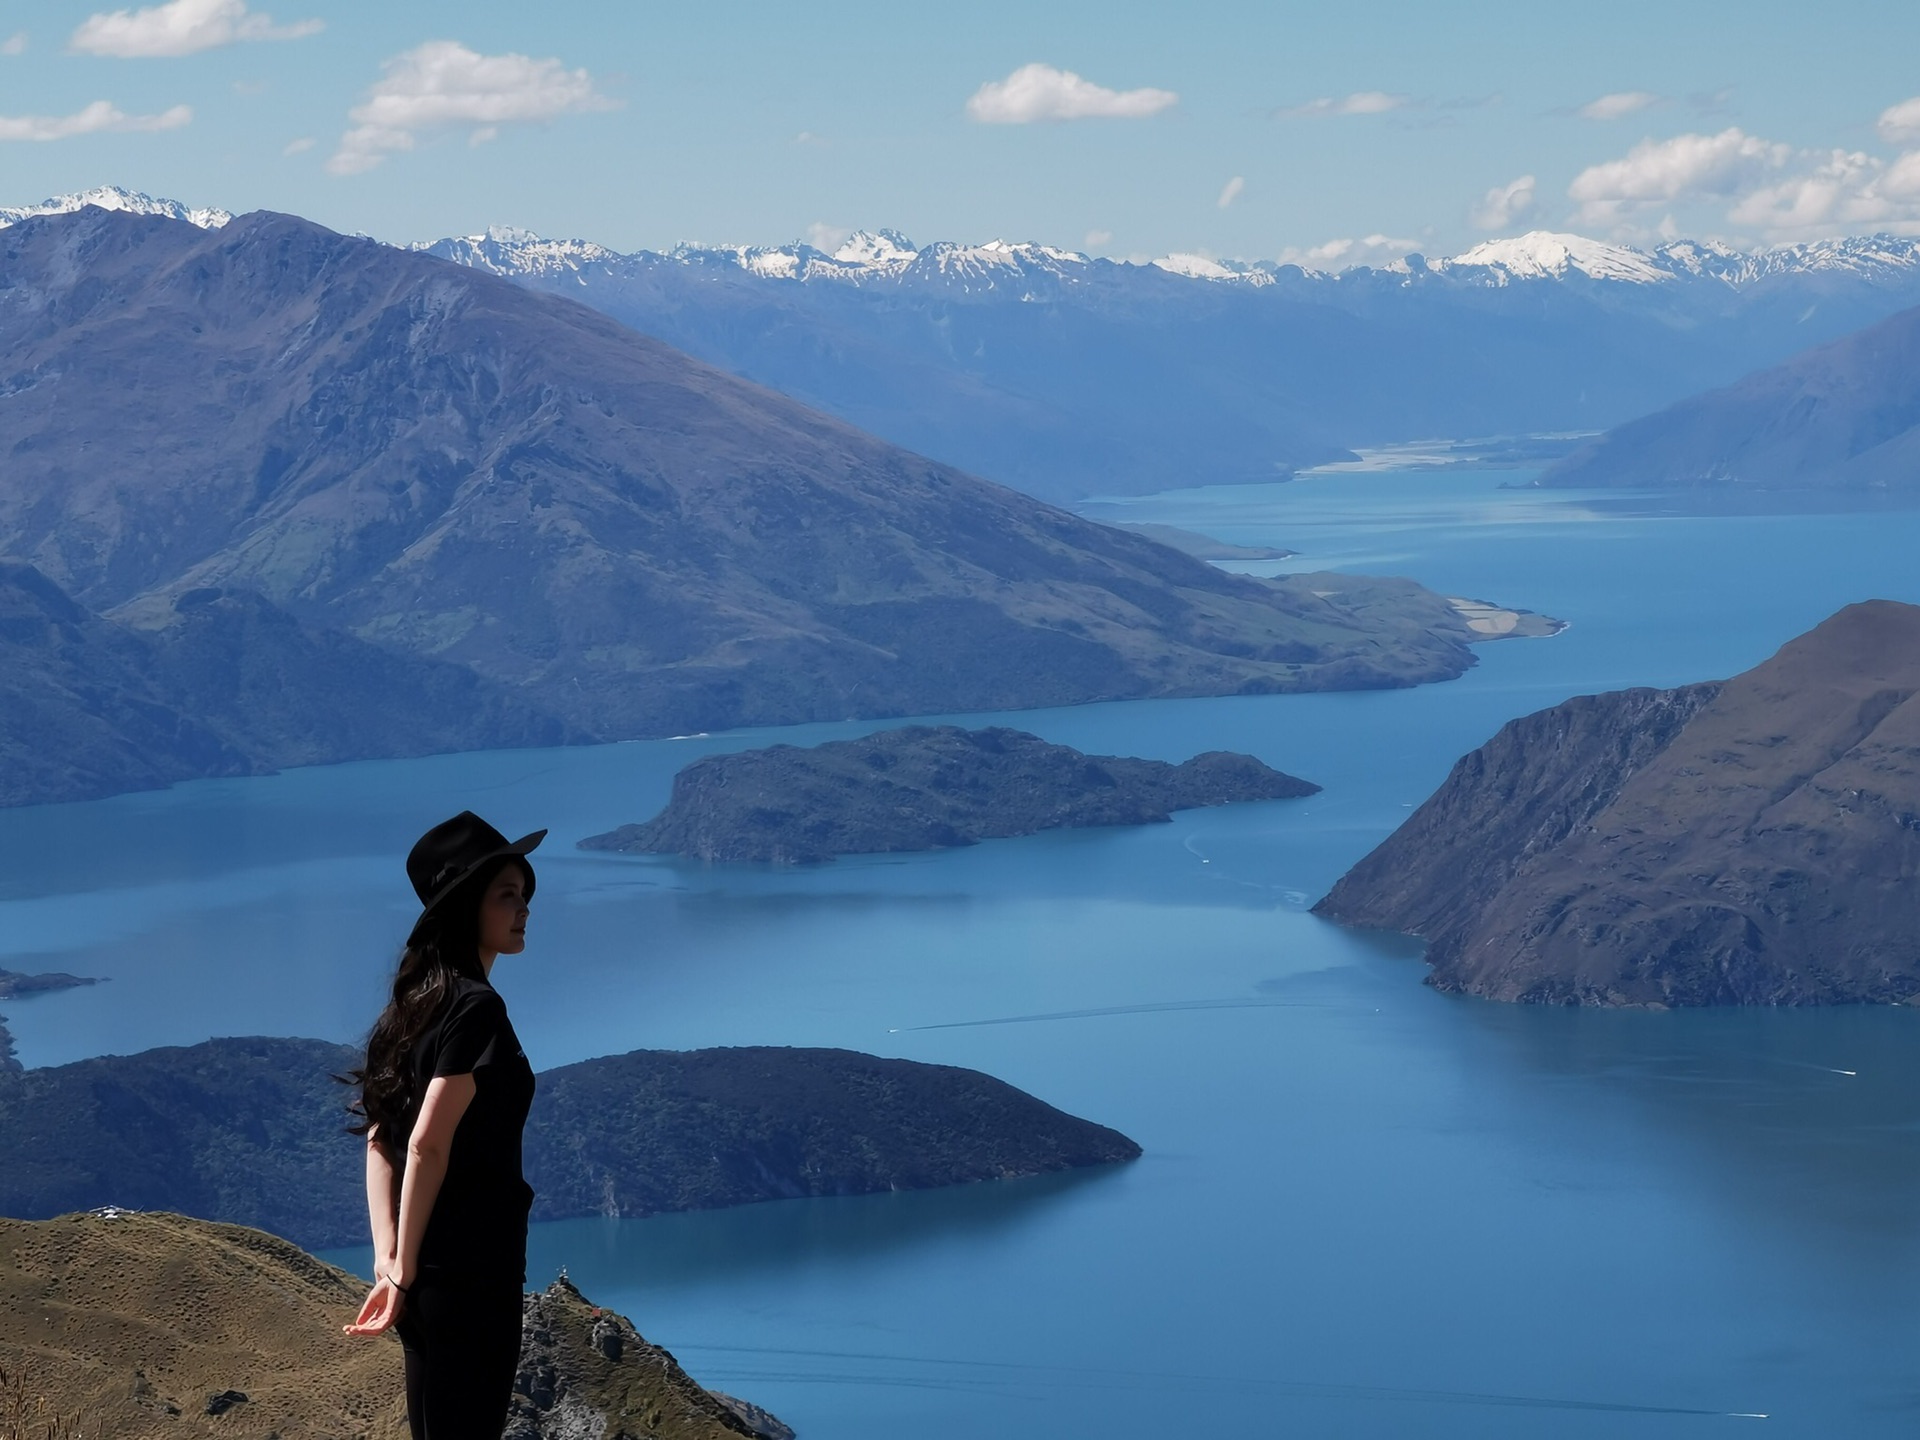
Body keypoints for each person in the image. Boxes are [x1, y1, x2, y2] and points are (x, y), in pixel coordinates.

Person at [342, 811, 546, 1440]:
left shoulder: (408, 1011)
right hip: (473, 1272)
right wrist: (402, 1268)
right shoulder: (478, 1008)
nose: (524, 910)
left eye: (525, 894)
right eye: (506, 896)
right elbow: (427, 1141)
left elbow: (381, 1140)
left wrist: (391, 1262)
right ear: (466, 909)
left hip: (426, 1280)